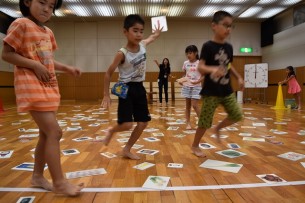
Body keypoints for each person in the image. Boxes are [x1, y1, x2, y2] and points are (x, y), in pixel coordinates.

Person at [1, 0, 84, 196]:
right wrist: (34, 66)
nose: (47, 9)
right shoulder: (21, 24)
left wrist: (67, 68)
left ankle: (37, 176)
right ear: (27, 1)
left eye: (51, 6)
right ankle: (60, 183)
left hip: (48, 86)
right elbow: (7, 54)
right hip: (31, 86)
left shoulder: (48, 32)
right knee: (55, 132)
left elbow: (47, 59)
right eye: (42, 2)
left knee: (45, 135)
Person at [99, 14, 163, 160]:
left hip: (139, 87)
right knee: (127, 124)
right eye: (135, 30)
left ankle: (127, 149)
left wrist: (157, 33)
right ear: (125, 32)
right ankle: (111, 130)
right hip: (125, 88)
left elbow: (151, 38)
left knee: (143, 123)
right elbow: (108, 73)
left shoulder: (143, 45)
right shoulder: (122, 53)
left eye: (141, 31)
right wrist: (106, 94)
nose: (139, 34)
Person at [191, 11, 244, 157]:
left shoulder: (229, 47)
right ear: (214, 26)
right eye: (225, 25)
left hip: (226, 89)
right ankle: (195, 146)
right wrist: (212, 68)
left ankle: (218, 128)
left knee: (237, 114)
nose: (228, 29)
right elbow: (200, 67)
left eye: (231, 26)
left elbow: (228, 65)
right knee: (204, 122)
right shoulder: (208, 46)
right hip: (211, 91)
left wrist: (238, 77)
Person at [179, 45, 203, 130]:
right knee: (188, 106)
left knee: (195, 105)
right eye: (187, 53)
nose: (188, 55)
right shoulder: (185, 63)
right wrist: (182, 80)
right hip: (187, 86)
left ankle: (202, 122)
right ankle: (188, 123)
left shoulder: (200, 63)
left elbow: (204, 76)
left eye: (190, 53)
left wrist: (197, 81)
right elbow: (184, 74)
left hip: (196, 86)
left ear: (195, 53)